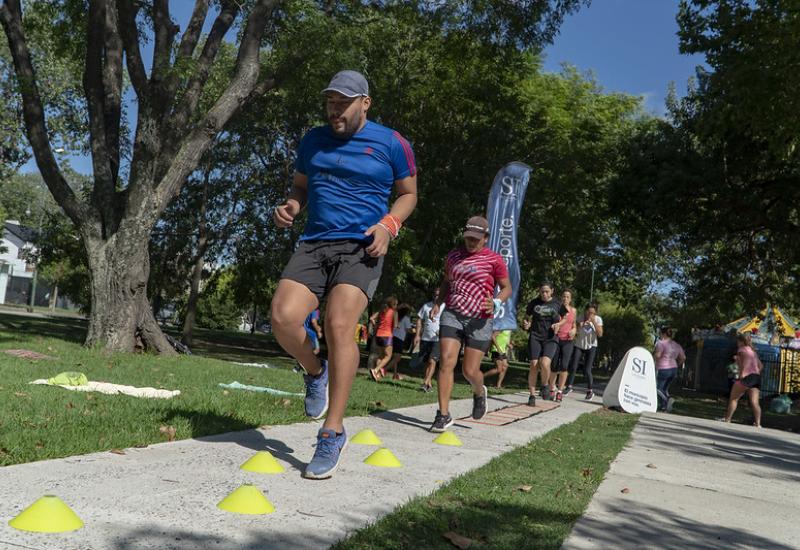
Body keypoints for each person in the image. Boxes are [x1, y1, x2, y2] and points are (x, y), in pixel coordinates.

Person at [270, 70, 417, 479]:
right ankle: (315, 371)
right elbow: (300, 187)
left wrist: (389, 226)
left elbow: (408, 194)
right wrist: (291, 207)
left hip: (362, 245)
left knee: (339, 324)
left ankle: (332, 431)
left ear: (364, 103)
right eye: (330, 102)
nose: (335, 109)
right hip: (316, 242)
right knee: (282, 317)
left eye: (344, 102)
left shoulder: (391, 143)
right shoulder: (313, 140)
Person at [428, 216, 512, 432]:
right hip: (453, 314)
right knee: (446, 361)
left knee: (469, 370)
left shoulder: (494, 260)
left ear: (485, 238)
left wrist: (496, 301)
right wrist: (438, 303)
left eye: (476, 238)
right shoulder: (454, 256)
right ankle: (443, 414)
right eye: (468, 238)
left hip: (480, 320)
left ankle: (478, 391)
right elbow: (446, 282)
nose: (471, 242)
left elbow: (506, 288)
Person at [522, 282, 566, 406]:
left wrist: (559, 324)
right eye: (542, 291)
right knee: (534, 364)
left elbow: (565, 318)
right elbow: (526, 317)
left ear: (552, 291)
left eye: (547, 291)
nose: (544, 294)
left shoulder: (557, 303)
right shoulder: (534, 303)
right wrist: (526, 323)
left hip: (550, 337)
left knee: (545, 363)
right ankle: (532, 395)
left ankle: (545, 385)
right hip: (535, 336)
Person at [723, 333, 763, 427]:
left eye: (738, 341)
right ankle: (758, 423)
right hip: (756, 378)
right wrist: (754, 373)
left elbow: (742, 364)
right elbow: (761, 366)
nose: (737, 343)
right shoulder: (753, 352)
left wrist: (742, 374)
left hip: (746, 377)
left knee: (733, 399)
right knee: (754, 402)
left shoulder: (741, 350)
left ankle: (727, 419)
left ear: (741, 341)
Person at [566, 303, 603, 400]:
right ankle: (569, 386)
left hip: (591, 346)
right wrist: (580, 325)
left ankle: (590, 390)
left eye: (592, 313)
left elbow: (600, 334)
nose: (590, 314)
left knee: (587, 370)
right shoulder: (580, 317)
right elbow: (575, 331)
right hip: (579, 345)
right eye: (588, 312)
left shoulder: (598, 319)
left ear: (595, 313)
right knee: (573, 366)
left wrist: (594, 322)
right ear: (585, 311)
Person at [549, 289, 577, 402]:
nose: (565, 298)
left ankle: (560, 391)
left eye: (567, 297)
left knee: (564, 365)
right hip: (556, 338)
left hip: (568, 340)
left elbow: (574, 325)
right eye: (564, 296)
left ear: (570, 299)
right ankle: (551, 388)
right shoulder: (556, 309)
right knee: (554, 365)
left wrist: (574, 330)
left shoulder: (573, 311)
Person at [416, 289, 444, 392]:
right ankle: (429, 384)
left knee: (432, 360)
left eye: (439, 295)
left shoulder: (445, 307)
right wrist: (417, 335)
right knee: (426, 361)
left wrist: (442, 332)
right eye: (435, 295)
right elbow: (419, 319)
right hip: (425, 338)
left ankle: (425, 382)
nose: (436, 297)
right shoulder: (426, 306)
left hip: (437, 339)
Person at [654, 327, 685, 412]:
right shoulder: (676, 345)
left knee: (658, 389)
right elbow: (683, 358)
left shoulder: (661, 343)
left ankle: (667, 400)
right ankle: (664, 407)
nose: (659, 335)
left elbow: (658, 355)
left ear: (663, 334)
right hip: (673, 369)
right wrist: (677, 365)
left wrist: (653, 358)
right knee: (665, 389)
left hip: (663, 368)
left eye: (660, 334)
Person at [369, 296, 398, 381]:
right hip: (387, 336)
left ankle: (377, 376)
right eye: (396, 304)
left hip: (378, 335)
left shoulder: (381, 311)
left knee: (381, 356)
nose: (396, 306)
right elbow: (395, 326)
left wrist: (376, 325)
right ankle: (375, 370)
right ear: (393, 304)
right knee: (388, 356)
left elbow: (371, 318)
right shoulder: (394, 312)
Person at [385, 303, 413, 380]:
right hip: (399, 339)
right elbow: (409, 330)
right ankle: (384, 370)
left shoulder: (395, 316)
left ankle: (394, 374)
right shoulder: (406, 318)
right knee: (397, 358)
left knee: (394, 357)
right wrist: (416, 331)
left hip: (391, 337)